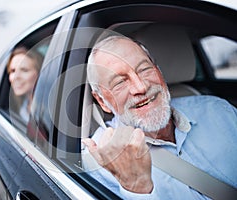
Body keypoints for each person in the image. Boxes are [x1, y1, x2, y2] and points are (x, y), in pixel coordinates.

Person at [82, 35, 237, 199]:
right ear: (102, 101)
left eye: (144, 69)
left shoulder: (218, 110)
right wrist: (136, 189)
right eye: (119, 82)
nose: (141, 87)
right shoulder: (100, 162)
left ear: (159, 71)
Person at [7, 46, 43, 122]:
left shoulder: (52, 108)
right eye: (13, 71)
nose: (15, 77)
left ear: (40, 74)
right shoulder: (22, 107)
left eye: (24, 70)